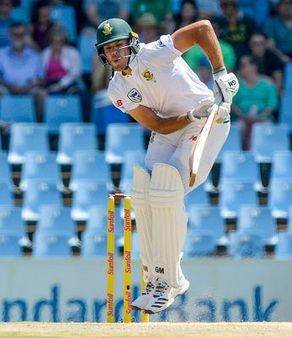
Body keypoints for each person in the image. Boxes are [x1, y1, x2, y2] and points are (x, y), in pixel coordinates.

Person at [95, 18, 239, 313]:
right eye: (108, 48)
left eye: (118, 44)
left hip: (210, 118)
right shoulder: (117, 89)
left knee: (167, 186)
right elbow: (158, 124)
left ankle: (172, 281)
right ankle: (155, 279)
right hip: (177, 125)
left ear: (132, 41)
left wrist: (220, 73)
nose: (114, 52)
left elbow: (202, 28)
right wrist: (188, 116)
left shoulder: (155, 52)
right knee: (146, 190)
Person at [232, 55, 279, 150]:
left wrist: (260, 117)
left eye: (244, 65)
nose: (241, 68)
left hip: (264, 119)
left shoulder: (268, 83)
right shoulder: (236, 84)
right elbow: (232, 104)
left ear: (254, 66)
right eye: (240, 66)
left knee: (265, 128)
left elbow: (272, 104)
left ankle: (264, 158)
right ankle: (240, 156)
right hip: (243, 119)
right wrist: (243, 116)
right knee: (237, 128)